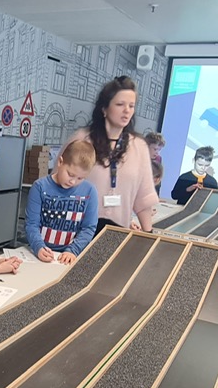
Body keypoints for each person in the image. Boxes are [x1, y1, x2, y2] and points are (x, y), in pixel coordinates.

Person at [65, 76, 157, 234]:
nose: (127, 110)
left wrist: (148, 234)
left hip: (116, 233)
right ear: (104, 108)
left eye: (131, 106)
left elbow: (144, 198)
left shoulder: (139, 146)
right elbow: (58, 185)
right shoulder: (81, 140)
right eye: (120, 104)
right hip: (76, 232)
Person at [25, 139, 98, 264]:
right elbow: (32, 224)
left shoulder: (90, 191)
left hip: (70, 256)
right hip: (40, 251)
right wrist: (38, 247)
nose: (73, 181)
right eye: (70, 174)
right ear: (60, 162)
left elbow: (88, 227)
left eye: (80, 178)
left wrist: (73, 250)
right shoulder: (39, 187)